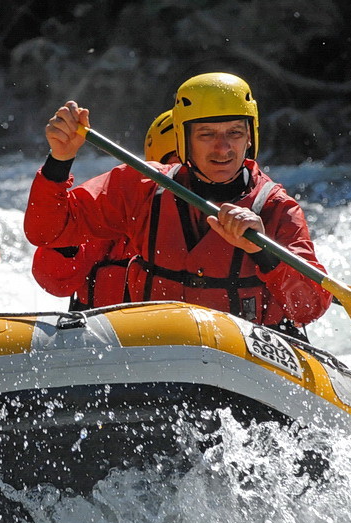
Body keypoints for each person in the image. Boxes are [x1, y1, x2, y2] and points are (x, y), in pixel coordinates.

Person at [23, 73, 332, 337]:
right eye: (206, 134)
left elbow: (309, 307)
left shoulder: (277, 209)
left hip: (244, 361)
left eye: (234, 133)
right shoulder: (141, 187)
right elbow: (47, 231)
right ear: (184, 139)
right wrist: (59, 161)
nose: (223, 147)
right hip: (155, 350)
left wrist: (262, 252)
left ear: (250, 137)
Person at [30, 109, 179, 310]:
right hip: (104, 337)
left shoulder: (226, 221)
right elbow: (55, 280)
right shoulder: (115, 213)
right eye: (176, 165)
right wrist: (68, 240)